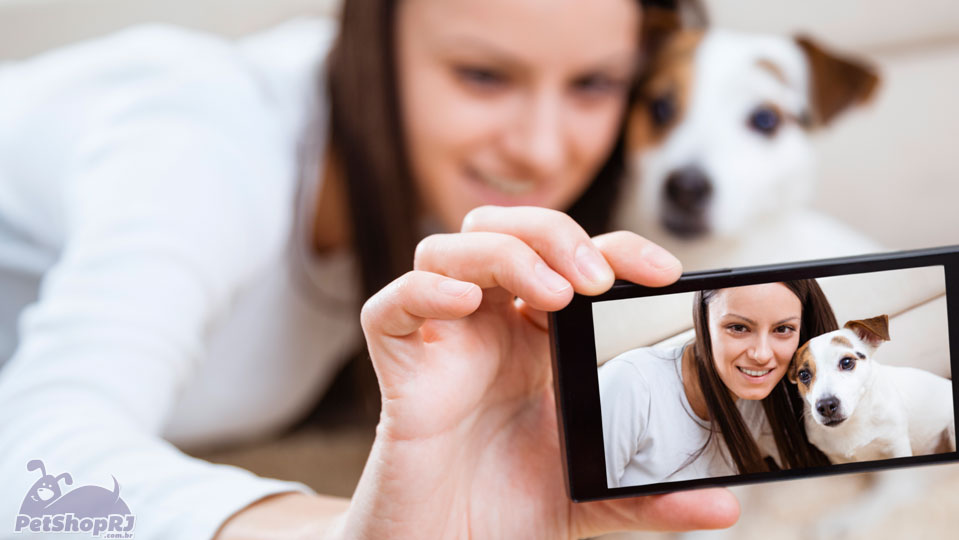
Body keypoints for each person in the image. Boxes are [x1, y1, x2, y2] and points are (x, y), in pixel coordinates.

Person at [0, 0, 740, 538]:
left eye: (593, 85)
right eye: (483, 75)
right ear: (370, 38)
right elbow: (28, 473)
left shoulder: (457, 201)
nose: (542, 152)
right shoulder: (198, 146)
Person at [600, 280, 835, 488]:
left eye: (783, 329)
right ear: (704, 323)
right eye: (738, 328)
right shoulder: (631, 383)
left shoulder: (777, 400)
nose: (762, 354)